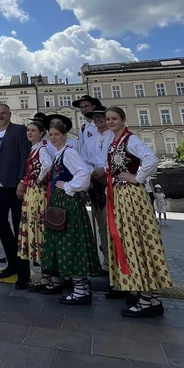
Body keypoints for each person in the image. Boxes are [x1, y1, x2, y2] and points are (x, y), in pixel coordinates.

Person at [104, 106, 172, 319]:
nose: (110, 122)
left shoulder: (130, 140)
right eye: (108, 119)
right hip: (121, 197)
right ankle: (149, 297)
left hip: (130, 197)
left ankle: (146, 298)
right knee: (130, 241)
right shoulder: (115, 142)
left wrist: (137, 177)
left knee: (136, 241)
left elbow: (151, 159)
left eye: (114, 118)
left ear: (124, 120)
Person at [40, 118, 98, 306]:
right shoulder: (60, 154)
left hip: (68, 203)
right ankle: (80, 287)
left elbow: (84, 173)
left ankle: (81, 289)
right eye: (51, 135)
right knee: (66, 242)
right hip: (61, 201)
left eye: (57, 134)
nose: (54, 137)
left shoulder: (69, 153)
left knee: (71, 243)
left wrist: (69, 186)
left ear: (65, 136)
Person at [0, 104, 31, 279]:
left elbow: (25, 157)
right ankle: (12, 262)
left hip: (15, 187)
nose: (0, 116)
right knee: (0, 224)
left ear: (10, 114)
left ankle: (23, 272)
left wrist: (22, 180)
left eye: (3, 113)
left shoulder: (19, 130)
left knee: (19, 227)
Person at [16, 118, 53, 291]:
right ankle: (44, 274)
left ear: (41, 133)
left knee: (39, 228)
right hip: (32, 193)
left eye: (33, 130)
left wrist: (37, 179)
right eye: (28, 130)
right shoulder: (34, 149)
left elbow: (47, 164)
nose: (29, 133)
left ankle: (46, 275)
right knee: (35, 228)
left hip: (37, 194)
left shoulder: (41, 149)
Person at [78, 106, 114, 268]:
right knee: (101, 226)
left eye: (102, 116)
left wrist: (105, 170)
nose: (98, 119)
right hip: (96, 184)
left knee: (113, 225)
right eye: (95, 117)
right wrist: (92, 172)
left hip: (112, 184)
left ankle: (117, 262)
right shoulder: (90, 141)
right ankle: (107, 261)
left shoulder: (114, 136)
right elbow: (84, 161)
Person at [75, 95, 102, 160]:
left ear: (93, 107)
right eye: (81, 107)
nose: (84, 109)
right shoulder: (83, 128)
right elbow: (82, 148)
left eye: (86, 106)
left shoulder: (102, 124)